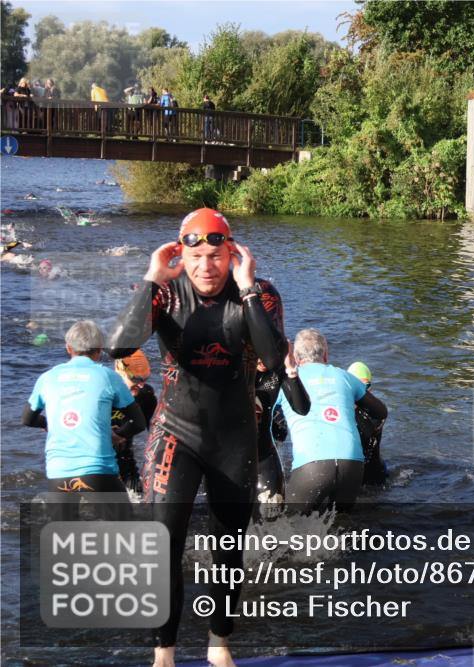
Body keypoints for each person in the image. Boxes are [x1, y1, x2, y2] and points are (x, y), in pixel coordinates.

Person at [107, 208, 309, 667]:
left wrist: (250, 286)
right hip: (175, 435)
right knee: (164, 543)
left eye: (215, 255)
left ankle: (219, 645)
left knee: (228, 547)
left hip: (234, 438)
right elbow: (120, 345)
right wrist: (151, 278)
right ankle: (164, 653)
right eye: (195, 256)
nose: (205, 267)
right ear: (181, 254)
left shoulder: (259, 294)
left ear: (230, 253)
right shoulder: (167, 294)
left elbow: (276, 360)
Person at [21, 320, 147, 520]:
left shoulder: (47, 377)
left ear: (68, 348)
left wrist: (47, 424)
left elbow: (27, 419)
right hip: (98, 471)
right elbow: (138, 422)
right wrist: (118, 435)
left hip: (59, 472)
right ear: (99, 350)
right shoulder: (108, 376)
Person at [279, 329, 387, 515]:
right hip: (352, 464)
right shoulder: (345, 377)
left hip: (311, 466)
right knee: (342, 528)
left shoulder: (285, 382)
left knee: (288, 527)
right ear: (326, 354)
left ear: (295, 358)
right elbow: (381, 411)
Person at [111, 349, 158, 494]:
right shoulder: (102, 393)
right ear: (120, 373)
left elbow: (156, 433)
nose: (141, 385)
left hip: (125, 459)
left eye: (145, 379)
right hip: (93, 462)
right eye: (136, 380)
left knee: (139, 501)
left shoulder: (145, 396)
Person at [254, 358, 290, 517]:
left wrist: (292, 372)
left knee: (273, 519)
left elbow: (303, 407)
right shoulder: (232, 369)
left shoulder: (276, 372)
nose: (262, 359)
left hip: (265, 456)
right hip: (230, 460)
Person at [347, 361, 390, 486]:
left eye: (364, 386)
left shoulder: (377, 412)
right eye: (356, 386)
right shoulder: (341, 410)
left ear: (370, 388)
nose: (359, 392)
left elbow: (368, 432)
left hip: (374, 475)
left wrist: (354, 408)